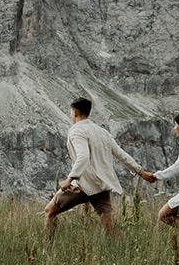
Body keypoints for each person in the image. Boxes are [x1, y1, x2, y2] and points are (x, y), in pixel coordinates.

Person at [44, 97, 148, 239]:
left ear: (74, 113)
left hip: (82, 184)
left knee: (50, 211)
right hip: (101, 185)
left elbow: (83, 157)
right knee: (110, 230)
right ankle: (127, 250)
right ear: (88, 113)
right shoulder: (102, 132)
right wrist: (141, 172)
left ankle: (47, 248)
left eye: (70, 112)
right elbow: (121, 154)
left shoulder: (76, 131)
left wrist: (69, 179)